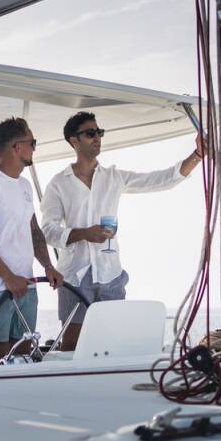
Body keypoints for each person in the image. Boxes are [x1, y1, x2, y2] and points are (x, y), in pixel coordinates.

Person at [40, 111, 204, 349]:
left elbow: (161, 179)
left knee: (113, 343)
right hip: (75, 276)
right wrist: (85, 233)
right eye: (90, 133)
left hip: (110, 273)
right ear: (74, 141)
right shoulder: (58, 184)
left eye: (99, 132)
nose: (97, 137)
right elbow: (48, 230)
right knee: (73, 345)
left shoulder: (113, 177)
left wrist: (197, 155)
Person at [0, 117, 63, 365]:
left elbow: (33, 231)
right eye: (32, 143)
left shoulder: (25, 186)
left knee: (23, 350)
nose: (34, 148)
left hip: (26, 284)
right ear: (17, 147)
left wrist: (48, 266)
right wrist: (8, 277)